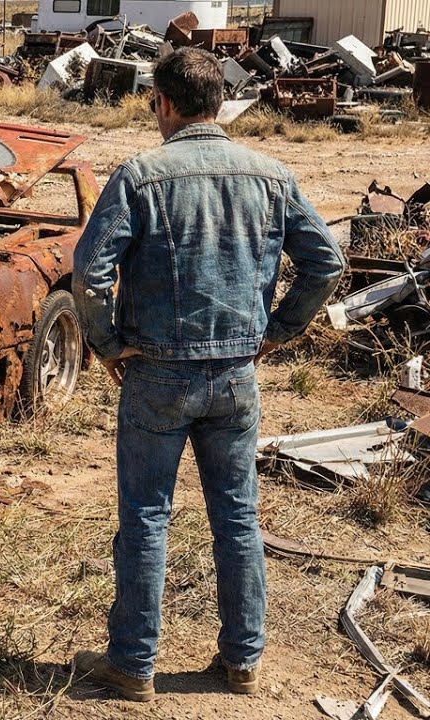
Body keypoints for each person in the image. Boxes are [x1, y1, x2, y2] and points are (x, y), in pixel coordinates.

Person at [70, 47, 345, 702]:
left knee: (145, 516)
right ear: (219, 102)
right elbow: (326, 263)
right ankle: (242, 662)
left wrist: (106, 343)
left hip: (157, 375)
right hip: (233, 377)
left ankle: (133, 668)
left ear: (163, 103)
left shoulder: (140, 176)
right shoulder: (271, 174)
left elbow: (89, 271)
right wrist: (277, 333)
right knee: (237, 516)